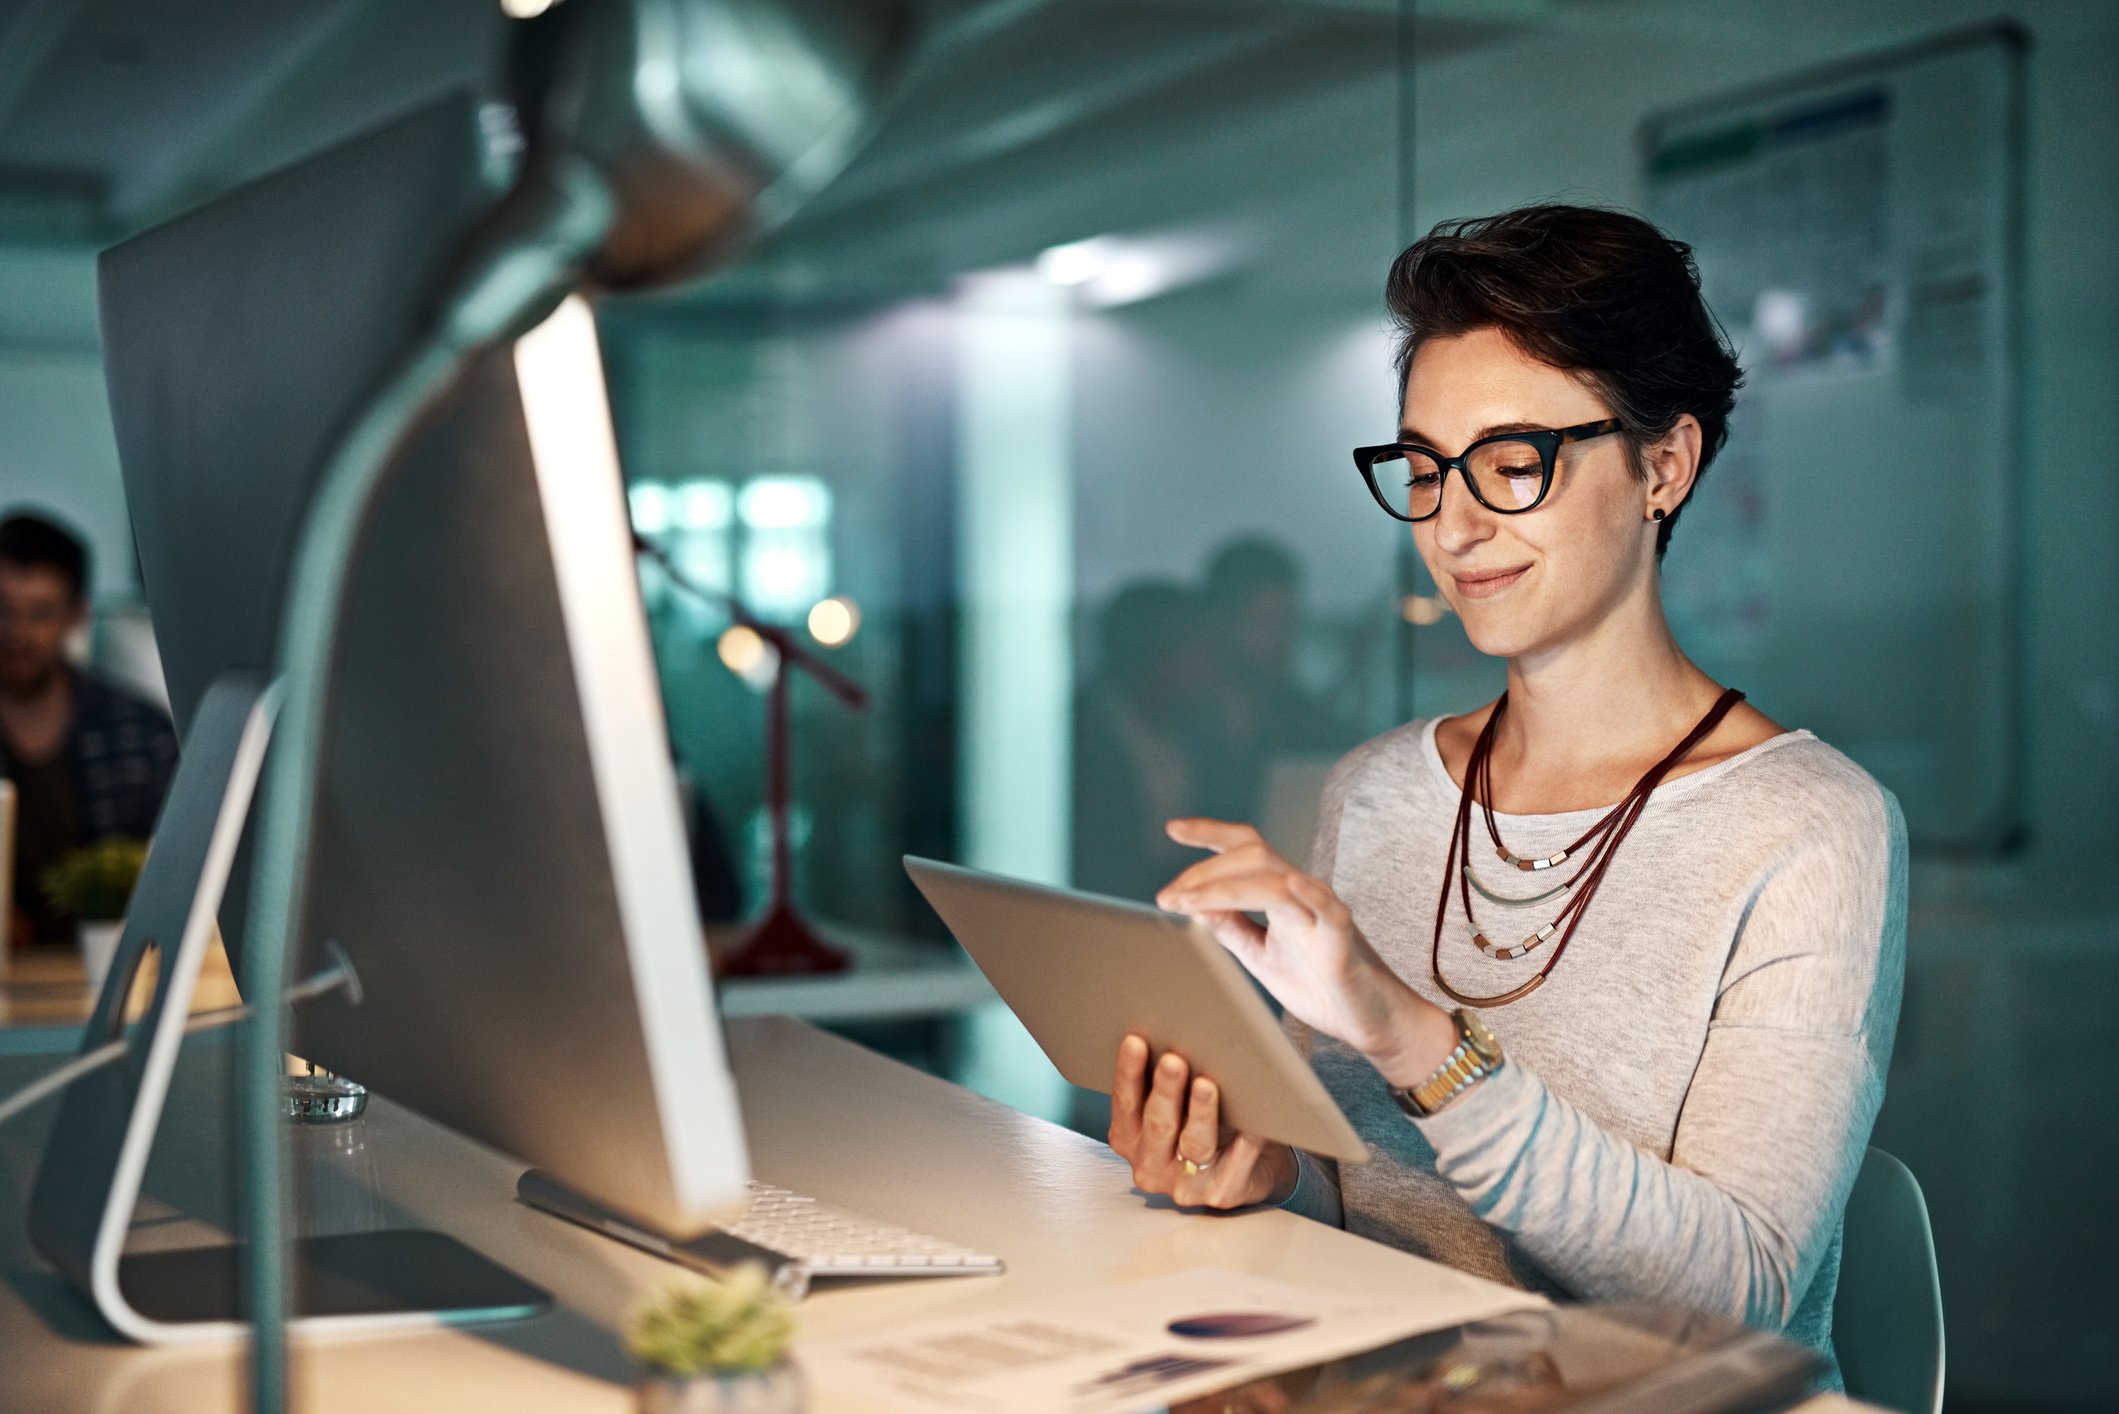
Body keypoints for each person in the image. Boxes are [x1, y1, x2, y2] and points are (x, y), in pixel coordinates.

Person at [1104, 205, 1903, 1392]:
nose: (1454, 522)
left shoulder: (1807, 825)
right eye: (1423, 468)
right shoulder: (1376, 788)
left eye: (1513, 462)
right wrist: (1267, 1167)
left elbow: (1736, 1293)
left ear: (1663, 466)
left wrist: (1409, 1032)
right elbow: (1370, 1200)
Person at [0, 511, 178, 951]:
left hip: (109, 975)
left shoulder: (140, 735)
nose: (17, 633)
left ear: (76, 615)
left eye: (40, 613)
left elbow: (175, 879)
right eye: (3, 610)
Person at [1190, 536, 1341, 825]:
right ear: (1221, 621)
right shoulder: (1178, 711)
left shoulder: (1294, 711)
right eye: (1265, 621)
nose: (1281, 638)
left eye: (1289, 622)